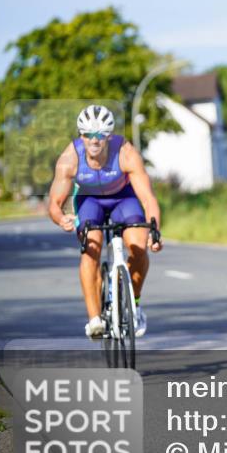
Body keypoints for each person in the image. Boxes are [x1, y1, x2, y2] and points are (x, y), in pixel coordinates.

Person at [47, 105, 163, 338]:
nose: (94, 140)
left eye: (100, 135)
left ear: (109, 136)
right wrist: (61, 219)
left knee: (139, 246)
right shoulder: (70, 158)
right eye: (88, 134)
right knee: (91, 248)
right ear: (81, 135)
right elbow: (54, 203)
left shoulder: (126, 153)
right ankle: (94, 319)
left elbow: (148, 198)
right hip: (90, 200)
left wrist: (155, 231)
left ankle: (134, 304)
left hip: (123, 198)